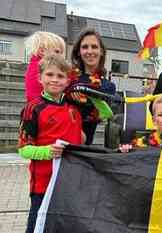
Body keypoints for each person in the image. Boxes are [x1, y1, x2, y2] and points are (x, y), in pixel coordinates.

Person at [17, 54, 83, 233]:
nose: (55, 79)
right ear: (40, 78)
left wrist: (90, 94)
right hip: (43, 184)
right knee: (37, 227)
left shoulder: (74, 107)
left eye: (60, 76)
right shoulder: (33, 108)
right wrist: (48, 151)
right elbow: (23, 150)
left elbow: (105, 114)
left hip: (70, 181)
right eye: (50, 74)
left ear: (68, 80)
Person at [68, 28, 116, 145]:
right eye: (85, 47)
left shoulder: (108, 86)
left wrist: (84, 95)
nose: (89, 51)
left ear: (101, 51)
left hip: (84, 146)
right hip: (58, 140)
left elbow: (102, 116)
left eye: (94, 47)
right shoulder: (68, 77)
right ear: (79, 51)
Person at [24, 31, 65, 102]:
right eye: (57, 52)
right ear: (41, 51)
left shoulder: (34, 65)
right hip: (43, 107)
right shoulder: (42, 67)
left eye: (61, 53)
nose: (61, 56)